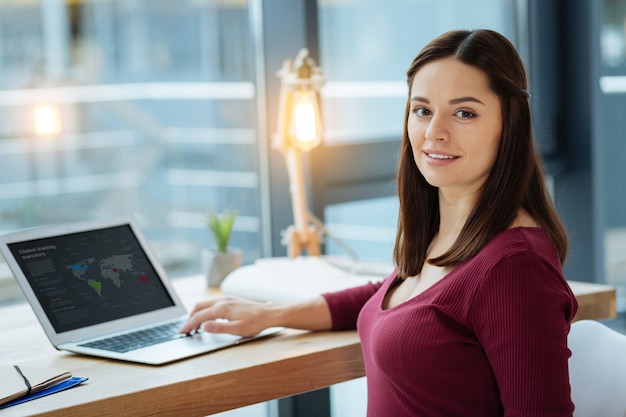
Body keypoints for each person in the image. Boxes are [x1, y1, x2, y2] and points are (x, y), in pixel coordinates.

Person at [180, 29, 578, 417]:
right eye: (422, 110)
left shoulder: (515, 268)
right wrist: (269, 315)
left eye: (464, 113)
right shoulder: (448, 234)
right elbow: (398, 292)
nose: (434, 133)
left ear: (509, 124)